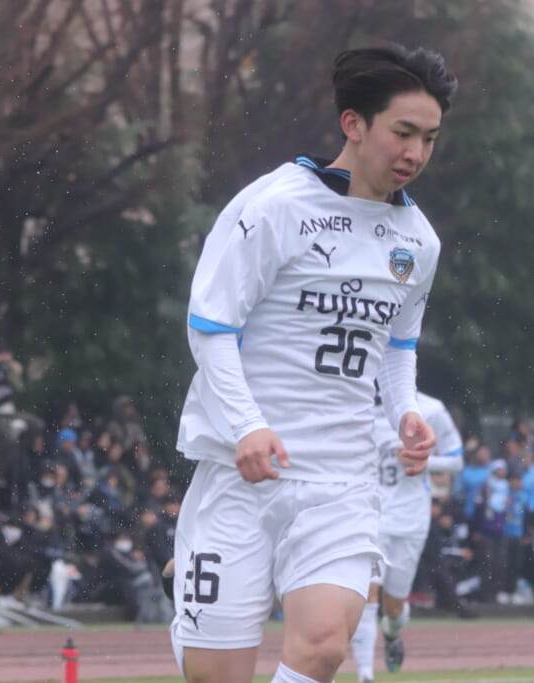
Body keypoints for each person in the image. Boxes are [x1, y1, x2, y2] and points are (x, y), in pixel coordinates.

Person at [169, 44, 457, 683]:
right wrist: (247, 426)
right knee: (215, 676)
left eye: (429, 139)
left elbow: (397, 346)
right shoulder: (275, 206)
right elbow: (211, 328)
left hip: (342, 479)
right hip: (242, 472)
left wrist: (405, 412)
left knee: (325, 646)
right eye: (402, 132)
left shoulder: (419, 241)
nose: (415, 153)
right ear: (353, 123)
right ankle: (188, 570)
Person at [348, 391, 464, 683]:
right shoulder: (358, 402)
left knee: (394, 606)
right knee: (367, 593)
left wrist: (421, 458)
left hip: (411, 520)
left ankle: (393, 634)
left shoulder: (432, 409)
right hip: (370, 514)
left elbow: (456, 460)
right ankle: (365, 674)